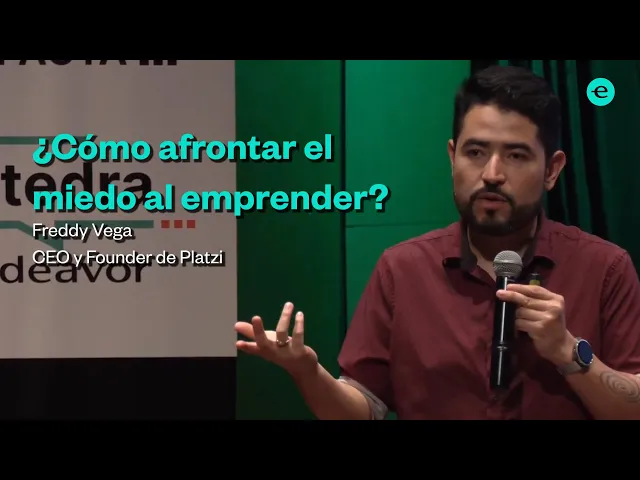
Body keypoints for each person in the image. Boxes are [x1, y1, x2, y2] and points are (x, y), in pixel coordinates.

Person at [235, 65, 640, 420]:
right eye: (475, 152)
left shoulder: (604, 268)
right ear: (452, 156)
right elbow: (363, 407)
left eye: (516, 156)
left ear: (552, 169)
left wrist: (569, 352)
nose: (492, 173)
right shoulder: (403, 269)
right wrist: (308, 373)